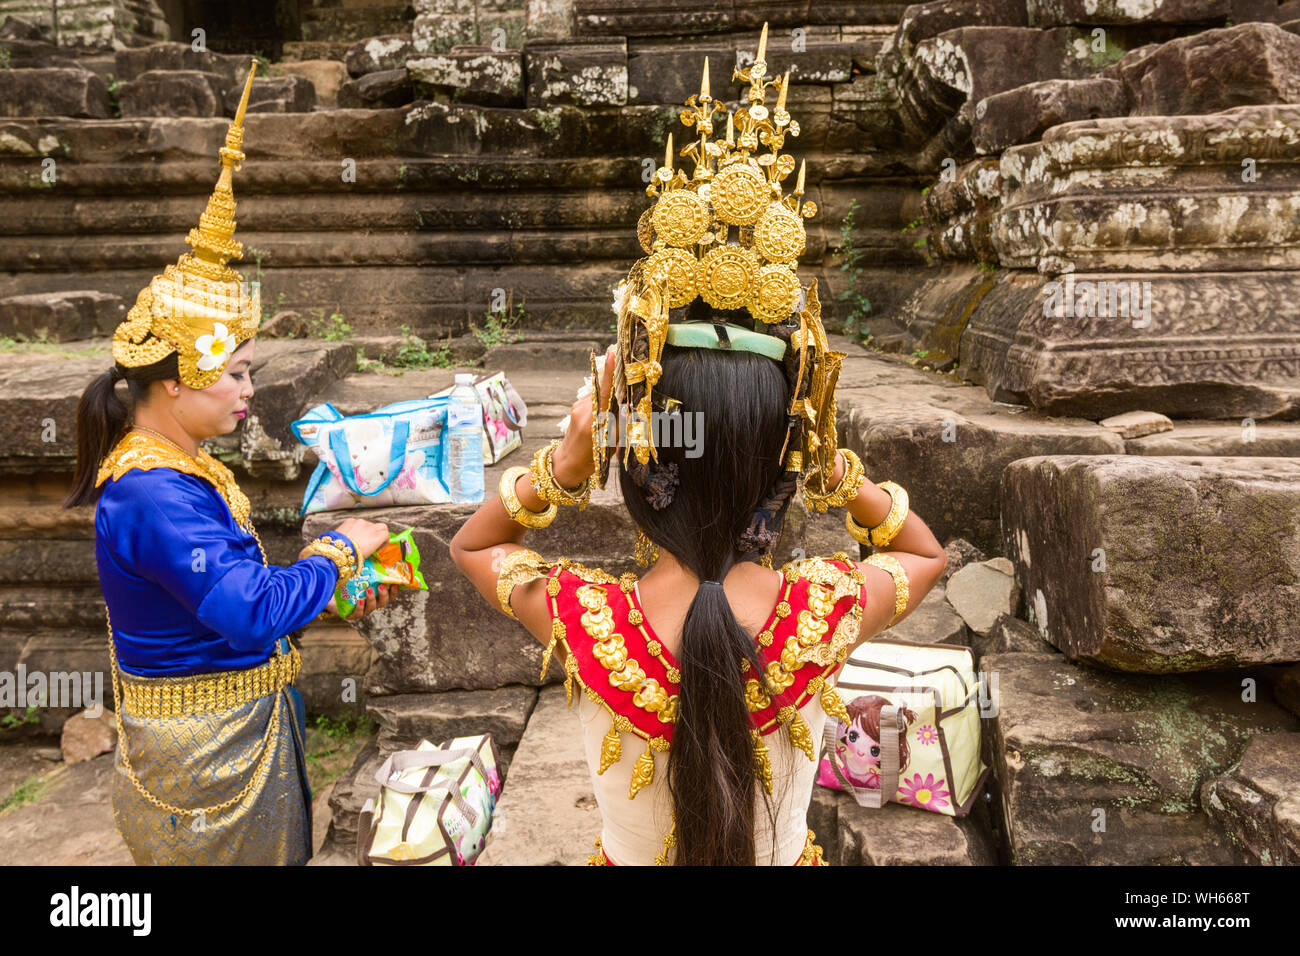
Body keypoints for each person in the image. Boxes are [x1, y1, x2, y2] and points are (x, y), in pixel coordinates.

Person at [449, 28, 948, 866]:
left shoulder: (586, 619)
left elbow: (475, 543)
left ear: (638, 465)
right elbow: (922, 553)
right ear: (784, 467)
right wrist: (835, 471)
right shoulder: (824, 610)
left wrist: (564, 469)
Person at [64, 62, 391, 865]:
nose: (252, 389)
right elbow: (246, 610)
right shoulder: (149, 494)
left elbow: (224, 602)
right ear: (175, 381)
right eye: (237, 371)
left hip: (228, 732)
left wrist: (330, 588)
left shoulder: (180, 465)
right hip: (206, 755)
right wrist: (343, 547)